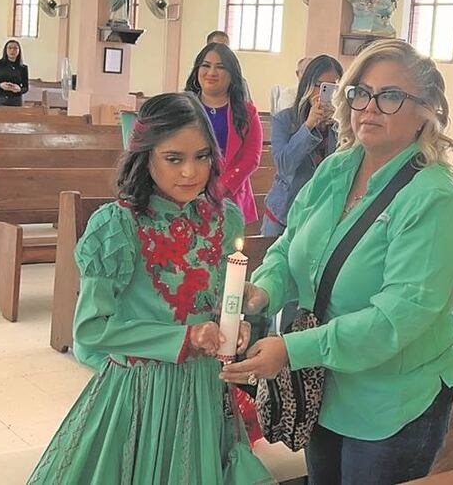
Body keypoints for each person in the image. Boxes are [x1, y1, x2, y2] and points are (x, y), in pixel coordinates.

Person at [222, 40, 453, 485]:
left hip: (392, 401)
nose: (370, 108)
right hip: (327, 384)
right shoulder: (338, 168)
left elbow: (393, 321)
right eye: (361, 92)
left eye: (390, 96)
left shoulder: (433, 199)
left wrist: (291, 350)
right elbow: (290, 245)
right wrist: (263, 290)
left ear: (426, 110)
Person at [27, 92, 271, 484]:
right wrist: (184, 337)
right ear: (146, 155)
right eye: (174, 158)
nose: (191, 172)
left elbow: (216, 299)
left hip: (203, 390)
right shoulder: (119, 226)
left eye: (202, 156)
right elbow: (90, 329)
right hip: (142, 392)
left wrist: (233, 323)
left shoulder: (222, 219)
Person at [262, 54, 343, 236]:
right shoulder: (284, 119)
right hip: (283, 214)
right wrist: (309, 126)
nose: (327, 94)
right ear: (308, 85)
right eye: (322, 86)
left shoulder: (342, 125)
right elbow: (284, 165)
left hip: (320, 216)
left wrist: (338, 127)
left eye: (334, 88)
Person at [185, 42, 263, 226]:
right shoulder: (182, 107)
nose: (211, 72)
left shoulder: (247, 112)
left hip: (230, 199)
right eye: (206, 65)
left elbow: (251, 158)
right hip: (186, 194)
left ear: (232, 75)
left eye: (220, 67)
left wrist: (220, 188)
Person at [0, 40, 29, 107]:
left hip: (16, 99)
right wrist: (0, 85)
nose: (12, 50)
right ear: (5, 50)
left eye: (15, 48)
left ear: (19, 51)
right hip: (0, 98)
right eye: (10, 48)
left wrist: (19, 89)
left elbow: (25, 87)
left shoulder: (23, 67)